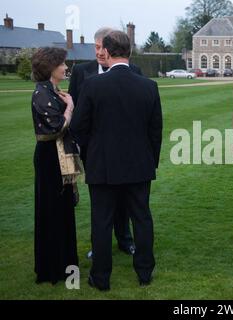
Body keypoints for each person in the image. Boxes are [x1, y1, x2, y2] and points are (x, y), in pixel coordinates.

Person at [70, 31, 162, 291]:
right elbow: (155, 131)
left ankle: (101, 278)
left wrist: (93, 152)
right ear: (129, 53)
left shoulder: (92, 85)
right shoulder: (148, 85)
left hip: (103, 165)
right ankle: (144, 273)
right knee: (141, 218)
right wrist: (150, 162)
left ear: (107, 53)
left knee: (102, 221)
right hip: (139, 165)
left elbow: (78, 127)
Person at [68, 27, 141, 257]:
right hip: (95, 151)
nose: (100, 52)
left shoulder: (134, 70)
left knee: (124, 200)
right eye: (96, 47)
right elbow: (78, 113)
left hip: (127, 150)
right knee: (100, 203)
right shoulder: (82, 72)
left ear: (110, 49)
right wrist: (84, 147)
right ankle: (99, 246)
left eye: (103, 47)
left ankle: (125, 239)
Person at [31, 47, 83, 284]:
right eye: (62, 64)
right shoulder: (41, 93)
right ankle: (51, 267)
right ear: (51, 67)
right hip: (50, 158)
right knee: (51, 210)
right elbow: (56, 128)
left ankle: (65, 263)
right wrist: (70, 107)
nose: (66, 67)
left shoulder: (53, 92)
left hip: (61, 154)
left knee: (63, 210)